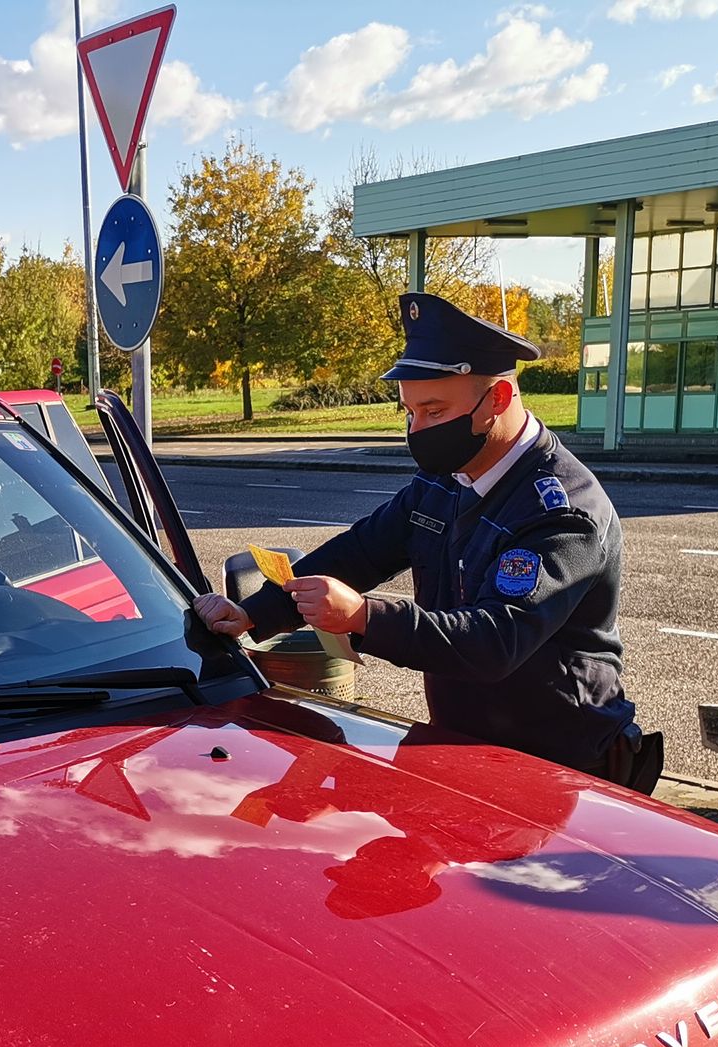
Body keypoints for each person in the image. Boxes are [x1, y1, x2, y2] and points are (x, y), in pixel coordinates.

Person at [195, 292, 662, 792]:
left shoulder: (562, 511)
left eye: (434, 411)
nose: (417, 430)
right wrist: (257, 612)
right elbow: (361, 551)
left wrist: (364, 617)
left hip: (560, 767)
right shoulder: (446, 480)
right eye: (409, 413)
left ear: (497, 401)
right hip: (466, 750)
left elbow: (493, 641)